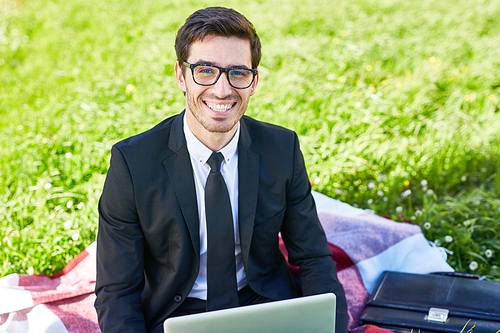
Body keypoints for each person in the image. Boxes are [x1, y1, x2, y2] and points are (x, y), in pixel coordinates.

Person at [95, 6, 348, 333]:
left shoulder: (282, 149)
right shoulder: (132, 163)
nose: (222, 89)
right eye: (205, 70)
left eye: (238, 73)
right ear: (180, 75)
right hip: (176, 315)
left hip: (263, 304)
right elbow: (117, 291)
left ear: (253, 82)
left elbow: (314, 258)